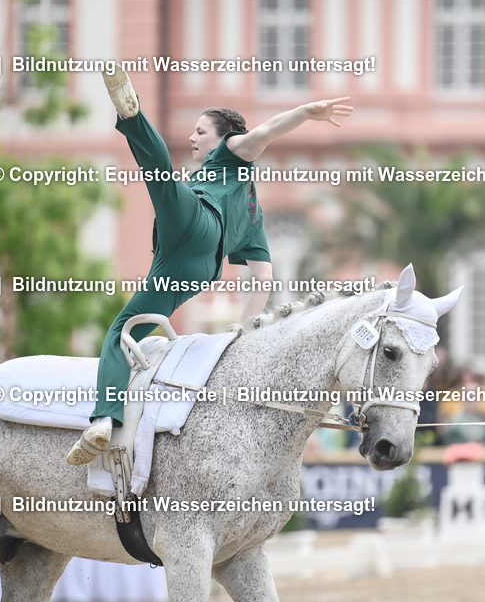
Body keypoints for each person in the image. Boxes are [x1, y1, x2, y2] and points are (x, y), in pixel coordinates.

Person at [66, 67, 352, 465]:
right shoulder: (255, 216)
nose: (192, 138)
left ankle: (132, 116)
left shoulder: (231, 153)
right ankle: (102, 424)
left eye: (200, 132)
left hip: (197, 222)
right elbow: (264, 281)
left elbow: (264, 132)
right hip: (191, 270)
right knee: (122, 331)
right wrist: (242, 335)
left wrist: (306, 111)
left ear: (224, 139)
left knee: (162, 178)